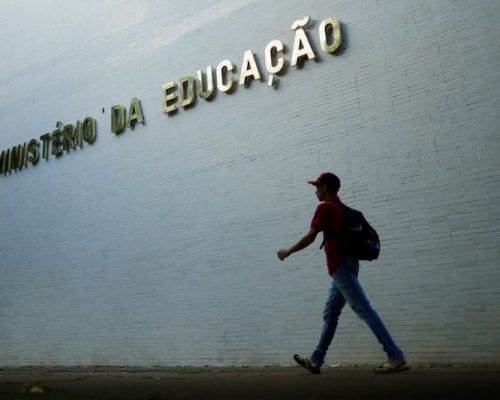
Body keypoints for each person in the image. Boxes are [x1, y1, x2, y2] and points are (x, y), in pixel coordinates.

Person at [277, 172, 409, 374]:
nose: (315, 191)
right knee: (331, 313)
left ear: (326, 187)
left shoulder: (326, 208)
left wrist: (288, 251)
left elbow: (311, 237)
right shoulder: (341, 208)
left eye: (317, 187)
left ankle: (395, 356)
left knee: (363, 308)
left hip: (340, 267)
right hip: (347, 265)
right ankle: (316, 359)